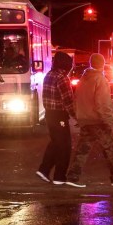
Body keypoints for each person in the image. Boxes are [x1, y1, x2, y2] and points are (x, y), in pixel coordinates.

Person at [66, 53, 113, 188]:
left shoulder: (84, 79)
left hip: (86, 119)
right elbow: (103, 103)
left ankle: (73, 177)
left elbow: (77, 99)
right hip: (98, 121)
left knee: (82, 150)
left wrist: (79, 117)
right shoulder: (100, 80)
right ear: (102, 64)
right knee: (110, 149)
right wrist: (108, 119)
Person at [36, 51, 76, 185]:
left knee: (55, 143)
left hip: (49, 114)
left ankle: (44, 170)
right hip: (59, 115)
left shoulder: (49, 75)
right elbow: (68, 101)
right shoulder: (62, 78)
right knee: (65, 146)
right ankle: (59, 176)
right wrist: (77, 117)